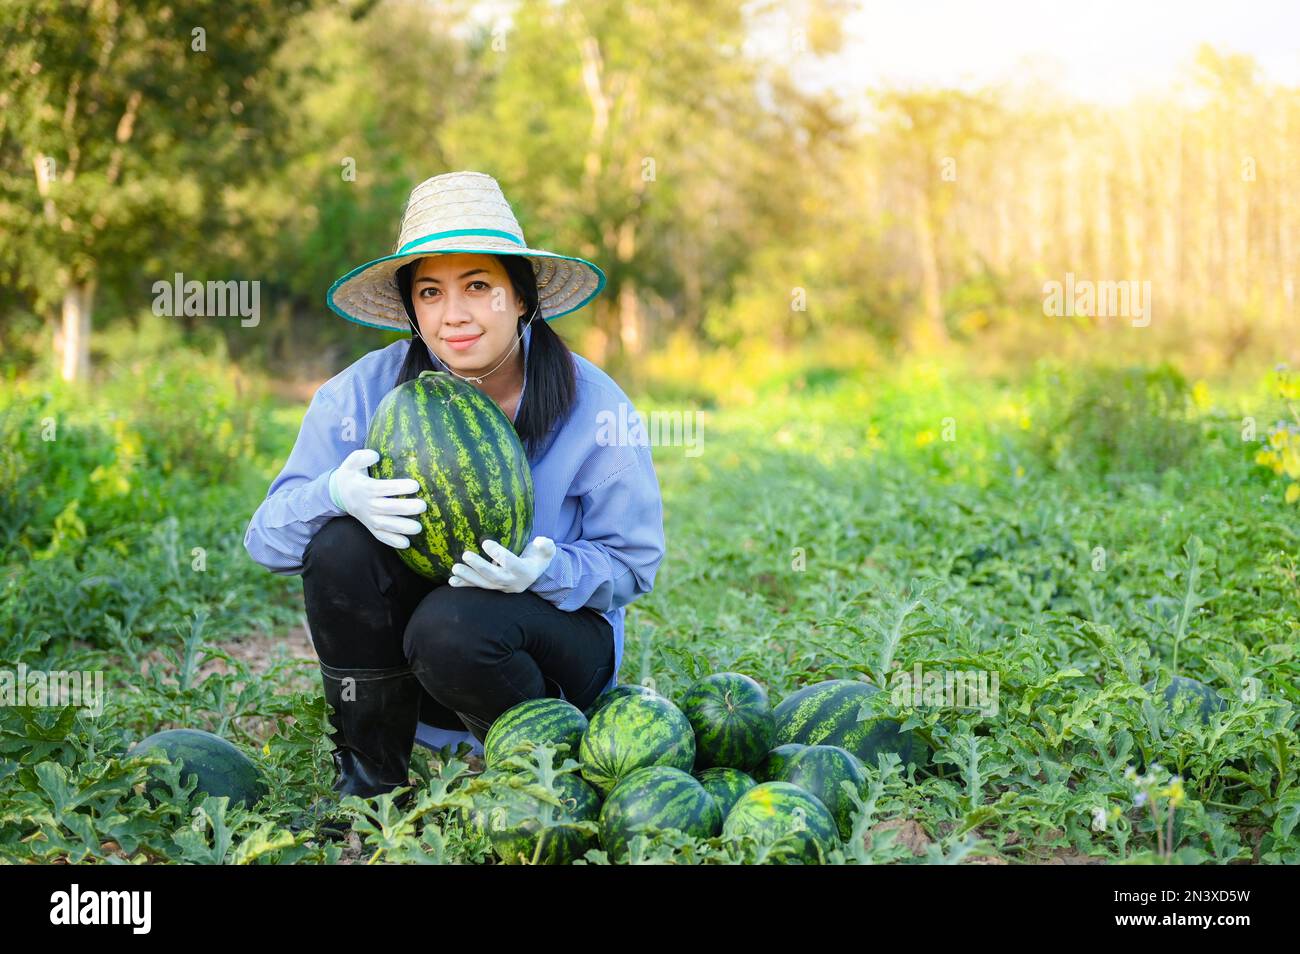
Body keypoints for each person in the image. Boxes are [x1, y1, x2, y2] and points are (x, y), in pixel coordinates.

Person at [242, 171, 665, 832]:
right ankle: (371, 783)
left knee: (453, 624)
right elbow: (264, 539)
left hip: (548, 658)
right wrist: (334, 495)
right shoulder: (364, 392)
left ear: (521, 298)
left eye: (478, 287)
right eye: (430, 292)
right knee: (338, 544)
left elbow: (635, 565)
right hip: (422, 674)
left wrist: (545, 570)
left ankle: (539, 777)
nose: (454, 315)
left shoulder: (595, 404)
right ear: (412, 309)